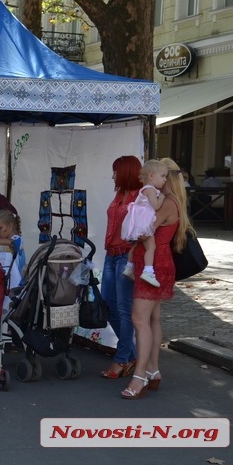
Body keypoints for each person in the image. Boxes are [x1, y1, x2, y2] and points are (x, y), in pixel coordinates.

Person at [120, 157, 190, 400]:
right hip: (157, 261)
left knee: (139, 319)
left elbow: (144, 230)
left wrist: (130, 227)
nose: (159, 179)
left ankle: (139, 376)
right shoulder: (170, 201)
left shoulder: (165, 203)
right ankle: (152, 370)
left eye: (161, 175)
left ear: (166, 178)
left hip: (154, 263)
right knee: (152, 319)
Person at [100, 155, 142, 380]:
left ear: (126, 172)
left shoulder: (140, 196)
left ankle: (122, 359)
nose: (113, 175)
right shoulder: (120, 194)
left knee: (124, 309)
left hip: (127, 254)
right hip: (111, 254)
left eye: (116, 171)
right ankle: (132, 354)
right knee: (107, 303)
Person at [121, 160, 168, 288]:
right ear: (151, 176)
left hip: (137, 222)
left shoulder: (143, 189)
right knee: (151, 247)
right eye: (163, 176)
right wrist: (162, 198)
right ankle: (148, 271)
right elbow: (156, 206)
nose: (165, 180)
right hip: (144, 222)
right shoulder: (151, 190)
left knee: (135, 245)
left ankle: (129, 267)